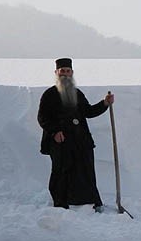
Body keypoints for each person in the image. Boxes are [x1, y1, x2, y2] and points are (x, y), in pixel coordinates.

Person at [38, 58, 114, 211]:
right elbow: (42, 118)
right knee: (61, 172)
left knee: (85, 170)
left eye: (68, 71)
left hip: (80, 140)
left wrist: (104, 103)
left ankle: (88, 202)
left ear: (72, 73)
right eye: (62, 71)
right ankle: (61, 203)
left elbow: (88, 112)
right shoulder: (49, 94)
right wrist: (54, 132)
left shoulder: (77, 93)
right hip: (60, 141)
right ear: (56, 73)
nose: (65, 74)